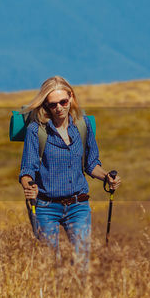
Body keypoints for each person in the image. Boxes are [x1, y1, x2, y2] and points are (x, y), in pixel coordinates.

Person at [18, 76, 121, 263]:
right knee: (51, 265)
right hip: (45, 207)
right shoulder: (36, 131)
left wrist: (107, 177)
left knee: (82, 262)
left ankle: (80, 293)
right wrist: (29, 186)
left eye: (63, 102)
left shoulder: (83, 125)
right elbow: (27, 170)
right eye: (52, 104)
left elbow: (91, 164)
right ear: (46, 106)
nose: (59, 108)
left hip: (78, 205)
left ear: (71, 98)